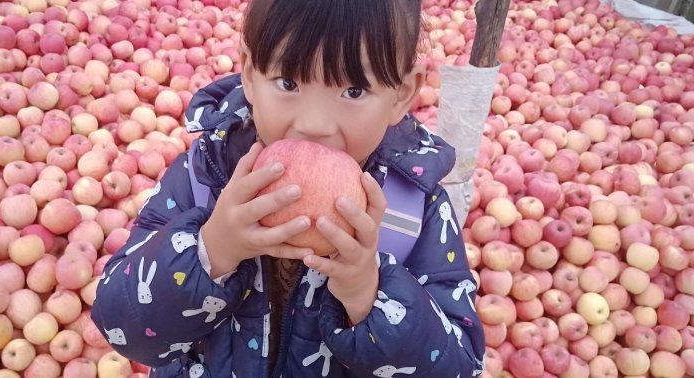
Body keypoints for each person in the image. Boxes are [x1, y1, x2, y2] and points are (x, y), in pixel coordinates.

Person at [91, 0, 486, 376]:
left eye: (354, 91)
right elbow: (122, 329)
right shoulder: (206, 176)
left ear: (402, 93)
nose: (314, 123)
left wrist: (369, 294)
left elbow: (458, 365)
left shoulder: (413, 207)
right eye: (288, 82)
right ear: (248, 72)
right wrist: (212, 250)